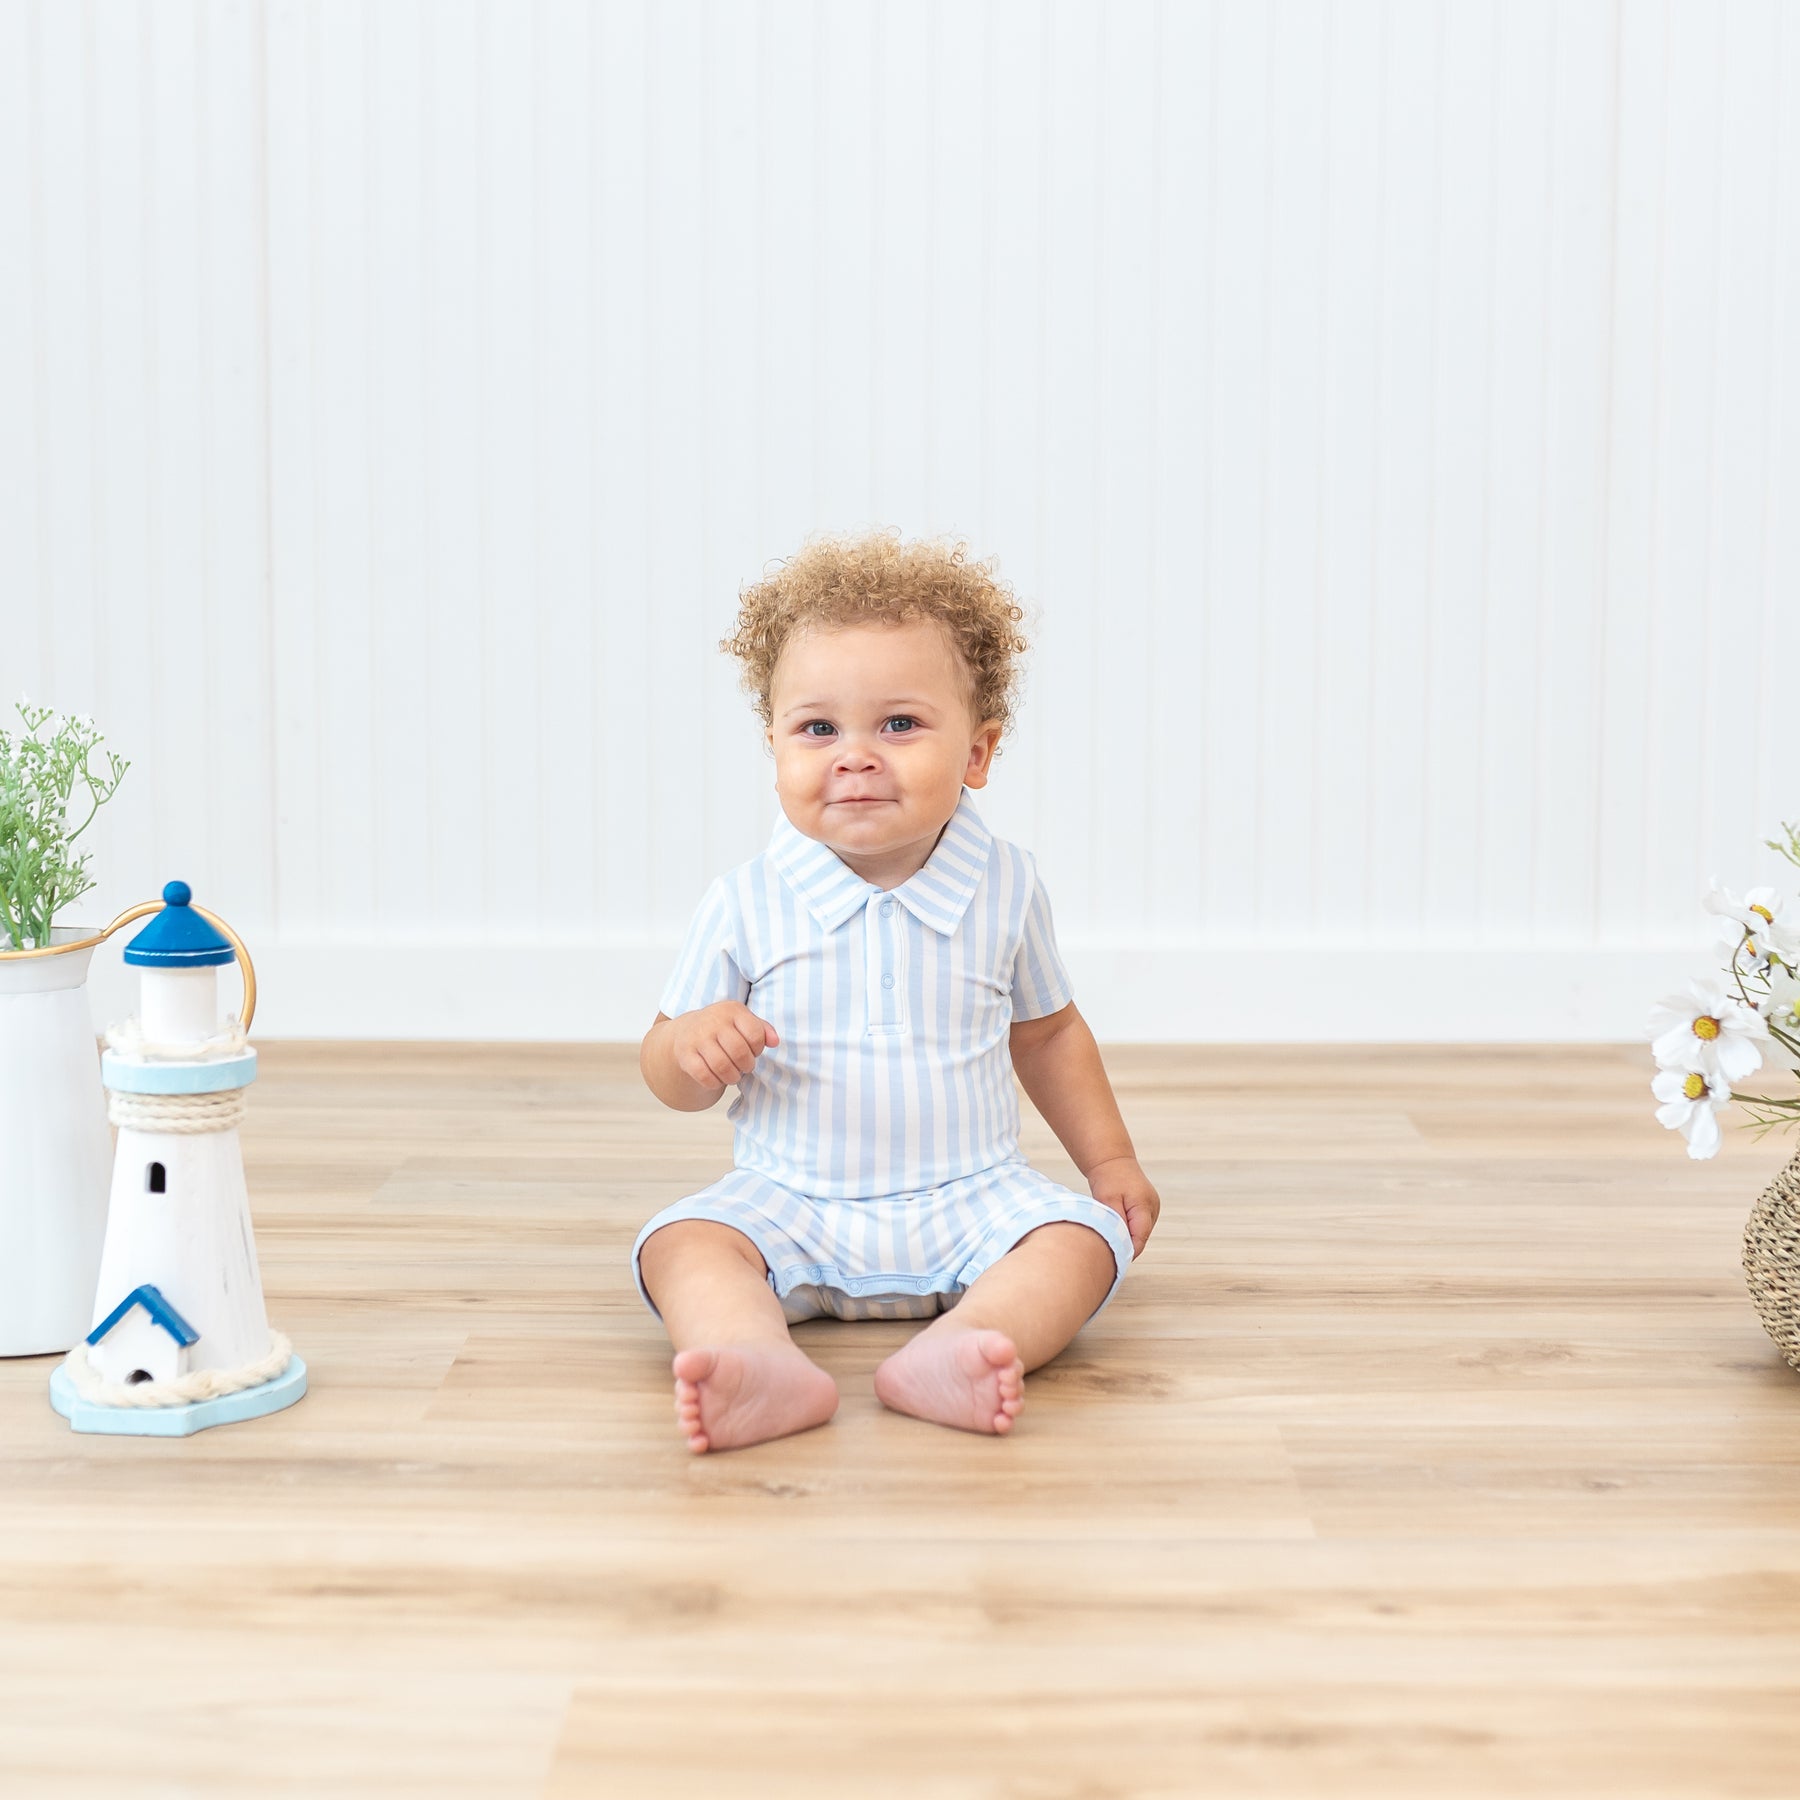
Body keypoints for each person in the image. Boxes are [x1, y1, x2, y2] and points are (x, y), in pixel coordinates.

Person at [634, 529, 1161, 1452]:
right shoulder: (746, 901)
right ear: (775, 746)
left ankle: (966, 1346)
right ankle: (753, 1359)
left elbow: (1047, 1034)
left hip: (972, 1197)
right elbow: (667, 1071)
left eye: (900, 724)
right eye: (818, 728)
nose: (856, 755)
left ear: (979, 752)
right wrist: (690, 1050)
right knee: (683, 1246)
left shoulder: (1005, 884)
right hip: (788, 1199)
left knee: (1081, 1243)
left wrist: (1108, 1164)